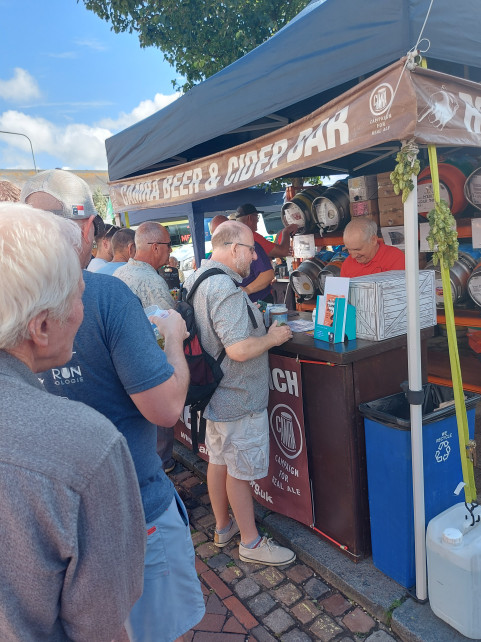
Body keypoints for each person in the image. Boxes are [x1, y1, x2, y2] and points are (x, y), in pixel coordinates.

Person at [20, 169, 205, 642]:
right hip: (134, 510)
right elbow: (165, 410)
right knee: (165, 630)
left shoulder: (23, 301)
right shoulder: (104, 293)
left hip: (44, 533)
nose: (72, 309)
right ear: (87, 229)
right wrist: (174, 344)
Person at [0, 202, 145, 641]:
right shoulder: (87, 448)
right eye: (78, 295)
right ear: (41, 326)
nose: (83, 310)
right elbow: (101, 626)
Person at [184, 221, 296, 566]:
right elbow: (240, 349)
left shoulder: (197, 278)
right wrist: (273, 339)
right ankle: (250, 542)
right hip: (237, 396)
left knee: (218, 461)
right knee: (239, 472)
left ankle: (223, 527)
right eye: (251, 250)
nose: (255, 256)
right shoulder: (225, 288)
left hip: (216, 395)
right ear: (234, 249)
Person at [115, 221, 176, 310]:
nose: (171, 250)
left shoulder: (118, 272)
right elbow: (170, 322)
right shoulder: (153, 282)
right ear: (155, 248)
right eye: (169, 245)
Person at [340, 217, 406, 277]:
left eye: (358, 249)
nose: (353, 256)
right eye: (349, 249)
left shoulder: (395, 258)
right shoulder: (347, 265)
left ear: (373, 240)